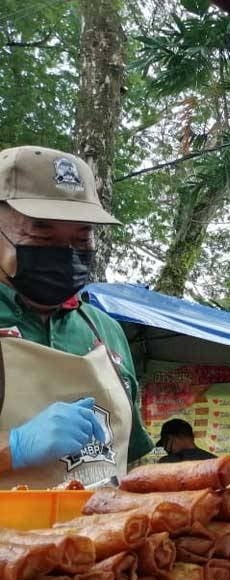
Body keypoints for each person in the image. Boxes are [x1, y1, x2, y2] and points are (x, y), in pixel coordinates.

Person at [0, 146, 154, 487]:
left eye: (81, 237)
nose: (66, 254)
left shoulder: (106, 331)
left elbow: (131, 458)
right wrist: (16, 447)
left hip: (106, 536)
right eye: (42, 235)